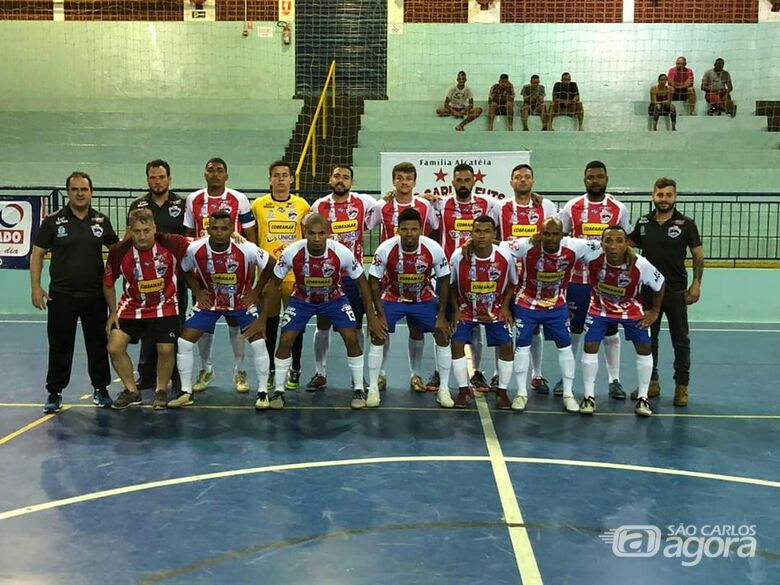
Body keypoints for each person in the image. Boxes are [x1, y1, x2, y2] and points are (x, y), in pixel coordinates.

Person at [253, 213, 386, 410]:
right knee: (286, 338)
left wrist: (372, 316)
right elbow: (274, 285)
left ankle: (358, 388)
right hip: (302, 299)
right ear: (304, 233)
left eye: (321, 233)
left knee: (351, 337)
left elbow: (362, 283)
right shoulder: (291, 252)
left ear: (329, 233)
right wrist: (262, 318)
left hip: (334, 298)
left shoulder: (342, 252)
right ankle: (279, 391)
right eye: (311, 233)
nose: (316, 238)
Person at [31, 171, 119, 413]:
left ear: (91, 192)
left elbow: (118, 251)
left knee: (98, 344)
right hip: (61, 296)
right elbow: (37, 254)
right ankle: (54, 392)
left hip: (95, 296)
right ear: (68, 192)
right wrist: (36, 288)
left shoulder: (101, 221)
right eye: (75, 189)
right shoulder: (52, 221)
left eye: (84, 189)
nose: (80, 194)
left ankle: (101, 389)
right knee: (60, 345)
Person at [168, 210, 274, 408]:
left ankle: (262, 393)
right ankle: (185, 392)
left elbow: (271, 263)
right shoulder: (195, 249)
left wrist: (256, 291)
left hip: (241, 302)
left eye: (224, 229)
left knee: (259, 342)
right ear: (208, 229)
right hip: (211, 304)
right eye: (214, 228)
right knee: (183, 341)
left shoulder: (245, 248)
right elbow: (182, 269)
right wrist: (198, 291)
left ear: (232, 229)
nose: (219, 233)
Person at [504, 218, 603, 413]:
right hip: (527, 303)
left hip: (556, 305)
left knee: (565, 346)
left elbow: (607, 247)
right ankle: (521, 393)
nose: (550, 238)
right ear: (539, 233)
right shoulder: (525, 245)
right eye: (546, 233)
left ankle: (568, 394)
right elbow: (497, 249)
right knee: (522, 345)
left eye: (555, 234)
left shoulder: (575, 246)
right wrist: (468, 245)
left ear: (562, 235)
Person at [558, 161, 632, 399]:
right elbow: (561, 236)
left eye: (600, 177)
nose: (595, 181)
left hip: (608, 281)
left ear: (606, 179)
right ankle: (566, 378)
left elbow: (626, 242)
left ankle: (614, 380)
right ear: (584, 179)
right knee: (575, 329)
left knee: (611, 329)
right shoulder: (573, 207)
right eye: (591, 177)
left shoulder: (619, 209)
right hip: (578, 279)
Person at [183, 157, 257, 394]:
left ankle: (240, 370)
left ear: (227, 175)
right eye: (210, 170)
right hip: (205, 271)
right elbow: (187, 236)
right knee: (206, 322)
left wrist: (251, 274)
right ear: (204, 173)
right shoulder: (193, 199)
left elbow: (250, 237)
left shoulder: (239, 199)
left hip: (235, 271)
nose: (215, 174)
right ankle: (206, 369)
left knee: (236, 320)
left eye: (220, 170)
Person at [103, 209, 190, 410]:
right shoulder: (119, 251)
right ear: (129, 231)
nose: (142, 236)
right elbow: (108, 282)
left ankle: (160, 390)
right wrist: (113, 312)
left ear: (154, 229)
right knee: (114, 346)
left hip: (164, 305)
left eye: (146, 230)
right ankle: (132, 391)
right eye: (137, 231)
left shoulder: (172, 243)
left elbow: (201, 242)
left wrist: (237, 237)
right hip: (131, 306)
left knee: (166, 349)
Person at [629, 178, 703, 407]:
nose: (664, 199)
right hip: (649, 292)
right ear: (653, 196)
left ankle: (682, 387)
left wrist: (697, 283)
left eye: (668, 195)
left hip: (675, 291)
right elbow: (625, 244)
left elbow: (698, 256)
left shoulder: (686, 224)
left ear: (675, 197)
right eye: (660, 195)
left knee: (680, 340)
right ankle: (652, 382)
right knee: (648, 339)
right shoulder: (643, 223)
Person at [368, 208, 453, 407]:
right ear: (398, 230)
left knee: (441, 333)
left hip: (423, 297)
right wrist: (377, 313)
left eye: (413, 229)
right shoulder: (386, 249)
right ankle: (373, 385)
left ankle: (442, 388)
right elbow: (373, 280)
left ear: (420, 230)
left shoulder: (433, 248)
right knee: (378, 333)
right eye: (404, 229)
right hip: (393, 296)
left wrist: (441, 314)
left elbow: (444, 279)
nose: (409, 234)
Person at [306, 165, 381, 392]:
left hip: (353, 276)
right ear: (330, 179)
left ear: (352, 182)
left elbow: (383, 211)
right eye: (337, 176)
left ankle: (358, 377)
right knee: (323, 324)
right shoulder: (319, 206)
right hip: (325, 276)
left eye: (346, 177)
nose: (341, 180)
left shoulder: (364, 202)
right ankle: (320, 373)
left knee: (356, 327)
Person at [579, 227, 665, 417]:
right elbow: (563, 244)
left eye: (619, 240)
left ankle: (643, 398)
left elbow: (660, 284)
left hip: (631, 309)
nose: (613, 245)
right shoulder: (592, 256)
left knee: (644, 347)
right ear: (601, 244)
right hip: (599, 308)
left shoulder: (640, 264)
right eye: (608, 241)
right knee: (590, 345)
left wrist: (655, 311)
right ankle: (588, 396)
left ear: (627, 244)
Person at [491, 164, 558, 394]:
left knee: (534, 327)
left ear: (533, 181)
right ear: (510, 182)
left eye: (527, 177)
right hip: (507, 275)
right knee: (501, 322)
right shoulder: (499, 207)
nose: (522, 180)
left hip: (536, 275)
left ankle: (536, 374)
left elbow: (557, 235)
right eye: (518, 177)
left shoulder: (546, 206)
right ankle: (498, 372)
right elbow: (490, 233)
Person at [375, 162, 439, 392]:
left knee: (416, 328)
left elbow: (435, 228)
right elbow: (367, 224)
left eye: (408, 178)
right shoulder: (382, 205)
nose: (404, 182)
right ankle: (380, 374)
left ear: (414, 181)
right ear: (393, 180)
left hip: (418, 276)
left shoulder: (424, 204)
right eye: (399, 178)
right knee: (382, 328)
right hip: (390, 278)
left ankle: (416, 374)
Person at [433, 163, 496, 391]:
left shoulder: (488, 204)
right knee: (442, 323)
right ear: (452, 182)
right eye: (459, 180)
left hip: (477, 273)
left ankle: (477, 371)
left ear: (474, 182)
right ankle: (439, 371)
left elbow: (511, 210)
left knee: (475, 324)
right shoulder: (441, 204)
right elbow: (419, 206)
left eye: (467, 180)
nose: (463, 184)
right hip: (448, 275)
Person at [250, 160, 310, 391]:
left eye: (285, 175)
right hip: (269, 275)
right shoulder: (258, 205)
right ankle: (271, 370)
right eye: (276, 175)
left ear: (291, 179)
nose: (281, 179)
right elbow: (251, 237)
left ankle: (295, 367)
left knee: (295, 323)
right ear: (270, 179)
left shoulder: (302, 205)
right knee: (269, 323)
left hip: (295, 275)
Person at [128, 159, 187, 392]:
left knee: (177, 326)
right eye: (153, 177)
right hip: (145, 277)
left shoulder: (182, 204)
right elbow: (129, 237)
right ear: (147, 179)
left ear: (169, 179)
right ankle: (147, 374)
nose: (157, 181)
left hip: (175, 278)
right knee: (147, 326)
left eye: (161, 177)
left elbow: (189, 239)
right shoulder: (138, 206)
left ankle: (179, 374)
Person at [449, 216, 517, 409]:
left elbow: (512, 283)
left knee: (506, 344)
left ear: (494, 234)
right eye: (477, 231)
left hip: (494, 310)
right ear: (471, 234)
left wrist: (505, 307)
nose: (482, 236)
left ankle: (502, 392)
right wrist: (455, 310)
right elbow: (451, 285)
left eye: (487, 231)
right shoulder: (458, 257)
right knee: (457, 342)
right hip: (466, 309)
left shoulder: (505, 256)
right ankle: (463, 390)